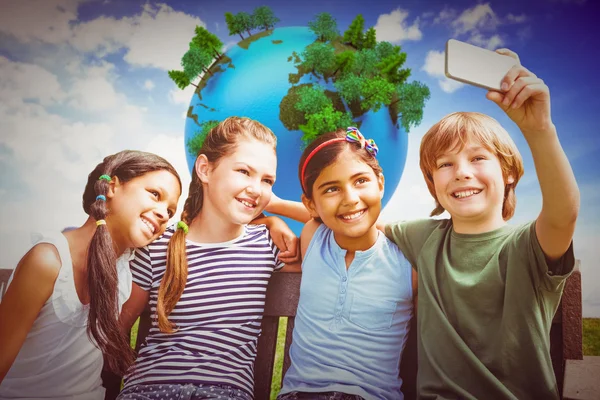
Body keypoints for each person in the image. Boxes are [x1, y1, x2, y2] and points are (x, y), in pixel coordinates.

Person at [384, 49, 579, 399]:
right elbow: (354, 218)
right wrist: (270, 209)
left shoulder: (528, 247)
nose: (461, 172)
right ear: (433, 183)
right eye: (445, 164)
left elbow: (563, 212)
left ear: (508, 174)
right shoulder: (423, 236)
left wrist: (539, 129)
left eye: (477, 158)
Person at [117, 117, 301, 400]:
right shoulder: (157, 248)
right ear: (205, 169)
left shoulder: (268, 245)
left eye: (267, 180)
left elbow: (338, 221)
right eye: (244, 171)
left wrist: (271, 206)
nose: (256, 187)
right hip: (148, 391)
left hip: (224, 392)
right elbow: (115, 333)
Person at [0, 150, 183, 400]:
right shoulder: (47, 262)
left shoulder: (126, 272)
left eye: (170, 211)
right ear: (111, 187)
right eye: (155, 194)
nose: (164, 214)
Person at [270, 127, 417, 400]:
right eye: (332, 189)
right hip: (299, 394)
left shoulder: (408, 261)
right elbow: (317, 216)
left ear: (380, 183)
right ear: (311, 204)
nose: (350, 199)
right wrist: (272, 212)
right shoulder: (314, 238)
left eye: (361, 181)